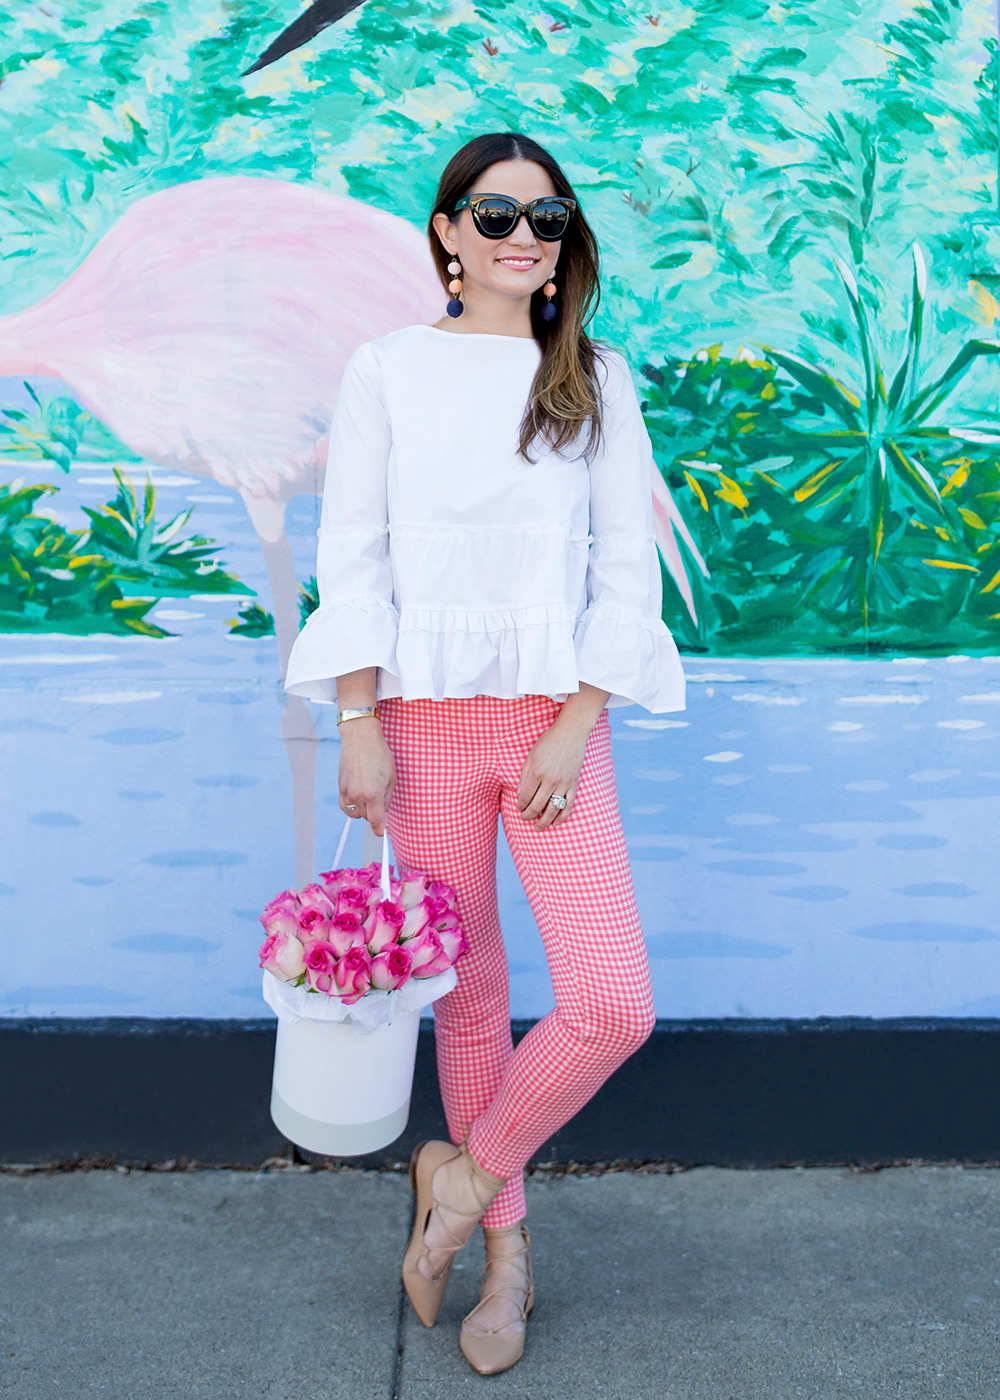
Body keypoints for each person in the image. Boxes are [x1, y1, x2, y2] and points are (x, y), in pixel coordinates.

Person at [284, 130, 685, 1375]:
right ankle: (504, 1258)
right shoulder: (387, 370)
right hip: (414, 727)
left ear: (566, 246)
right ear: (448, 232)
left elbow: (623, 573)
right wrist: (355, 722)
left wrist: (572, 722)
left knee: (611, 1000)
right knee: (470, 994)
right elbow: (350, 556)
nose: (522, 236)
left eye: (547, 218)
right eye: (495, 213)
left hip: (551, 724)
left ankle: (455, 1183)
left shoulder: (593, 379)